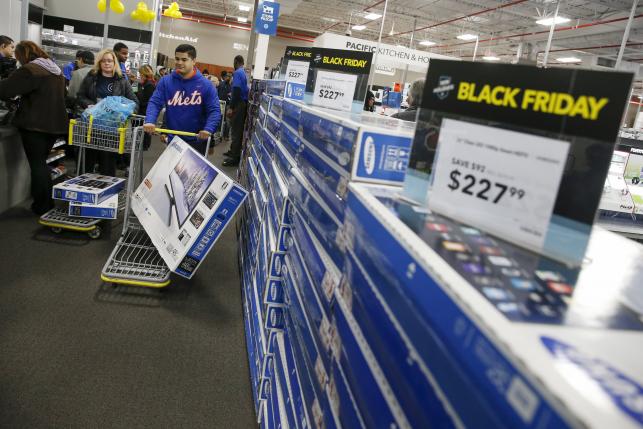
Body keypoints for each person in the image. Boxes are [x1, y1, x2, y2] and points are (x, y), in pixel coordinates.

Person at [0, 41, 67, 215]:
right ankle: (47, 203)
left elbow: (6, 89)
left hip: (35, 125)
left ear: (23, 55)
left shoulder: (30, 70)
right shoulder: (55, 70)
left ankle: (42, 205)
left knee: (37, 165)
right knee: (41, 164)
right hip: (55, 124)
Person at [144, 44, 220, 155]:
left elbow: (214, 110)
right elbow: (155, 103)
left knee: (194, 173)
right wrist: (150, 120)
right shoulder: (166, 81)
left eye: (184, 59)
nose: (179, 62)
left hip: (197, 140)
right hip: (173, 140)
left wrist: (208, 129)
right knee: (171, 172)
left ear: (193, 61)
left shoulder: (206, 85)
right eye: (177, 59)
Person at [76, 49, 138, 176]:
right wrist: (88, 104)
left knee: (108, 165)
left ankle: (107, 193)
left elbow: (134, 102)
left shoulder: (121, 81)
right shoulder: (91, 77)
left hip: (111, 130)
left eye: (109, 60)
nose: (106, 63)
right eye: (103, 61)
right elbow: (80, 95)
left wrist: (120, 110)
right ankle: (86, 191)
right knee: (87, 163)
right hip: (91, 128)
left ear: (114, 62)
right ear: (99, 63)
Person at [223, 55, 248, 166]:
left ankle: (234, 157)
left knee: (236, 131)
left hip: (239, 104)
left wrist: (231, 107)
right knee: (235, 130)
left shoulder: (238, 72)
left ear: (236, 62)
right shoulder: (243, 72)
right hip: (241, 103)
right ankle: (232, 151)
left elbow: (237, 90)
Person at [136, 64, 156, 150]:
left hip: (144, 111)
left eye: (141, 74)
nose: (140, 76)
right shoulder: (144, 84)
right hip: (142, 110)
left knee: (144, 130)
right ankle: (142, 144)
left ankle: (144, 145)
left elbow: (146, 100)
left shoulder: (149, 85)